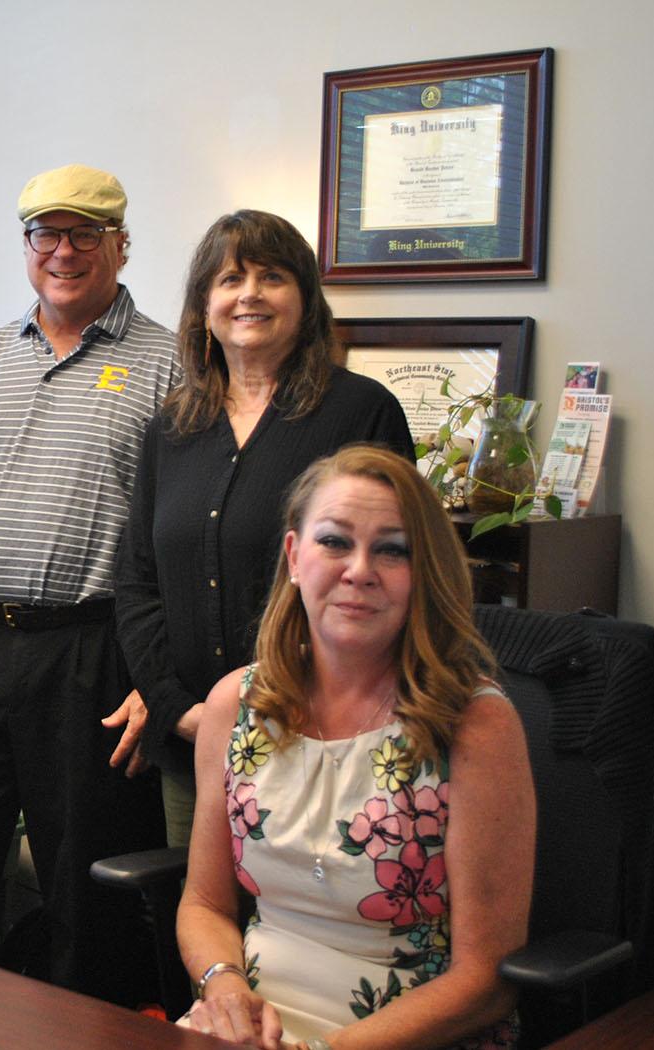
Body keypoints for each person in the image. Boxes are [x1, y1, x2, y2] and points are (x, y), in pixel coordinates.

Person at [0, 163, 177, 1004]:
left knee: (86, 890)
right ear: (26, 246)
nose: (63, 251)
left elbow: (184, 533)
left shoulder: (170, 364)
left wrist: (162, 674)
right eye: (45, 234)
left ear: (121, 246)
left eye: (85, 233)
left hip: (95, 654)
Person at [176, 445, 533, 1049]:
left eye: (392, 550)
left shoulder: (473, 726)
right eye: (335, 542)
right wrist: (225, 986)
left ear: (424, 574)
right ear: (294, 557)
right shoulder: (235, 704)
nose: (359, 570)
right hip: (248, 1029)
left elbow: (486, 979)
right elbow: (205, 903)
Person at [114, 210, 412, 849]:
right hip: (194, 749)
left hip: (324, 743)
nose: (248, 294)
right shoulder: (172, 427)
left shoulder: (361, 412)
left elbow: (394, 576)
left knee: (313, 930)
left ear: (304, 301)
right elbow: (138, 581)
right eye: (229, 280)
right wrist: (180, 710)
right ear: (205, 307)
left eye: (271, 277)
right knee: (197, 923)